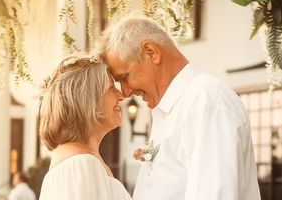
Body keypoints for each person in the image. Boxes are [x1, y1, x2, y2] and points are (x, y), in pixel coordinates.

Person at [98, 16, 261, 200]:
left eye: (125, 78)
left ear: (151, 52)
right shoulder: (174, 110)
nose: (126, 92)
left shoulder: (205, 102)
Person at [38, 54, 132, 200]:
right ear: (88, 98)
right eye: (111, 88)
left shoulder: (76, 164)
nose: (121, 96)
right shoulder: (81, 165)